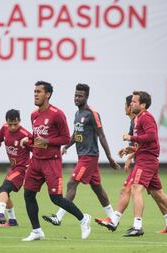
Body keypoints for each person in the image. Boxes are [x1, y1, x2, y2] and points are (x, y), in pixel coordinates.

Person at [99, 91, 167, 237]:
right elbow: (147, 142)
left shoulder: (146, 117)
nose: (131, 103)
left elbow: (152, 136)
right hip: (146, 158)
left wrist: (131, 137)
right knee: (158, 194)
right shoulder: (138, 118)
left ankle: (137, 226)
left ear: (143, 105)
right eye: (131, 102)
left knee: (136, 188)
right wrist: (132, 148)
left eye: (134, 101)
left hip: (146, 160)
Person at [20, 81, 91, 241]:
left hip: (51, 162)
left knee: (56, 198)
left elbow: (66, 137)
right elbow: (36, 135)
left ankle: (83, 219)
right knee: (28, 195)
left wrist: (47, 141)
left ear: (48, 94)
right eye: (35, 91)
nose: (36, 94)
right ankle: (37, 231)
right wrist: (29, 139)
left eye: (39, 91)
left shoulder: (57, 114)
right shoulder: (34, 115)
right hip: (35, 161)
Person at [42, 83, 121, 226]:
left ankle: (58, 217)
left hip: (89, 157)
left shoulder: (92, 113)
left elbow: (101, 136)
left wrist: (109, 158)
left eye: (80, 96)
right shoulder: (77, 114)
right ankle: (113, 219)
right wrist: (67, 146)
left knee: (71, 183)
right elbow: (76, 133)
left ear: (87, 97)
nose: (77, 98)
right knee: (97, 188)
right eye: (75, 95)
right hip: (82, 156)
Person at [0, 109, 32, 227]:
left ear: (19, 121)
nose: (12, 127)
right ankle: (12, 221)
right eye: (10, 124)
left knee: (3, 189)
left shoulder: (25, 135)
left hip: (22, 169)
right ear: (6, 122)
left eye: (15, 124)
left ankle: (0, 215)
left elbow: (36, 150)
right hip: (14, 168)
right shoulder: (5, 128)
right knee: (5, 192)